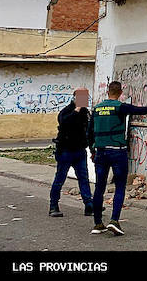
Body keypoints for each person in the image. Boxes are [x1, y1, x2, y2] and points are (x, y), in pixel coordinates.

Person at [88, 80, 147, 236]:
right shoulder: (121, 107)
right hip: (117, 152)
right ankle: (114, 221)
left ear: (107, 91)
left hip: (100, 152)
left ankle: (98, 223)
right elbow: (145, 110)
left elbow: (89, 132)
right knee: (120, 186)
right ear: (120, 93)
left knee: (99, 188)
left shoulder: (96, 109)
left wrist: (92, 150)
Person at [48, 88, 94, 217]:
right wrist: (77, 108)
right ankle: (53, 205)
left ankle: (89, 205)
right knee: (60, 178)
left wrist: (91, 148)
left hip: (80, 151)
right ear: (74, 98)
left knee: (84, 178)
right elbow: (64, 123)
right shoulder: (67, 111)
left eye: (86, 97)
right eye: (82, 97)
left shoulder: (86, 113)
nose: (85, 100)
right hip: (65, 151)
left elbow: (88, 131)